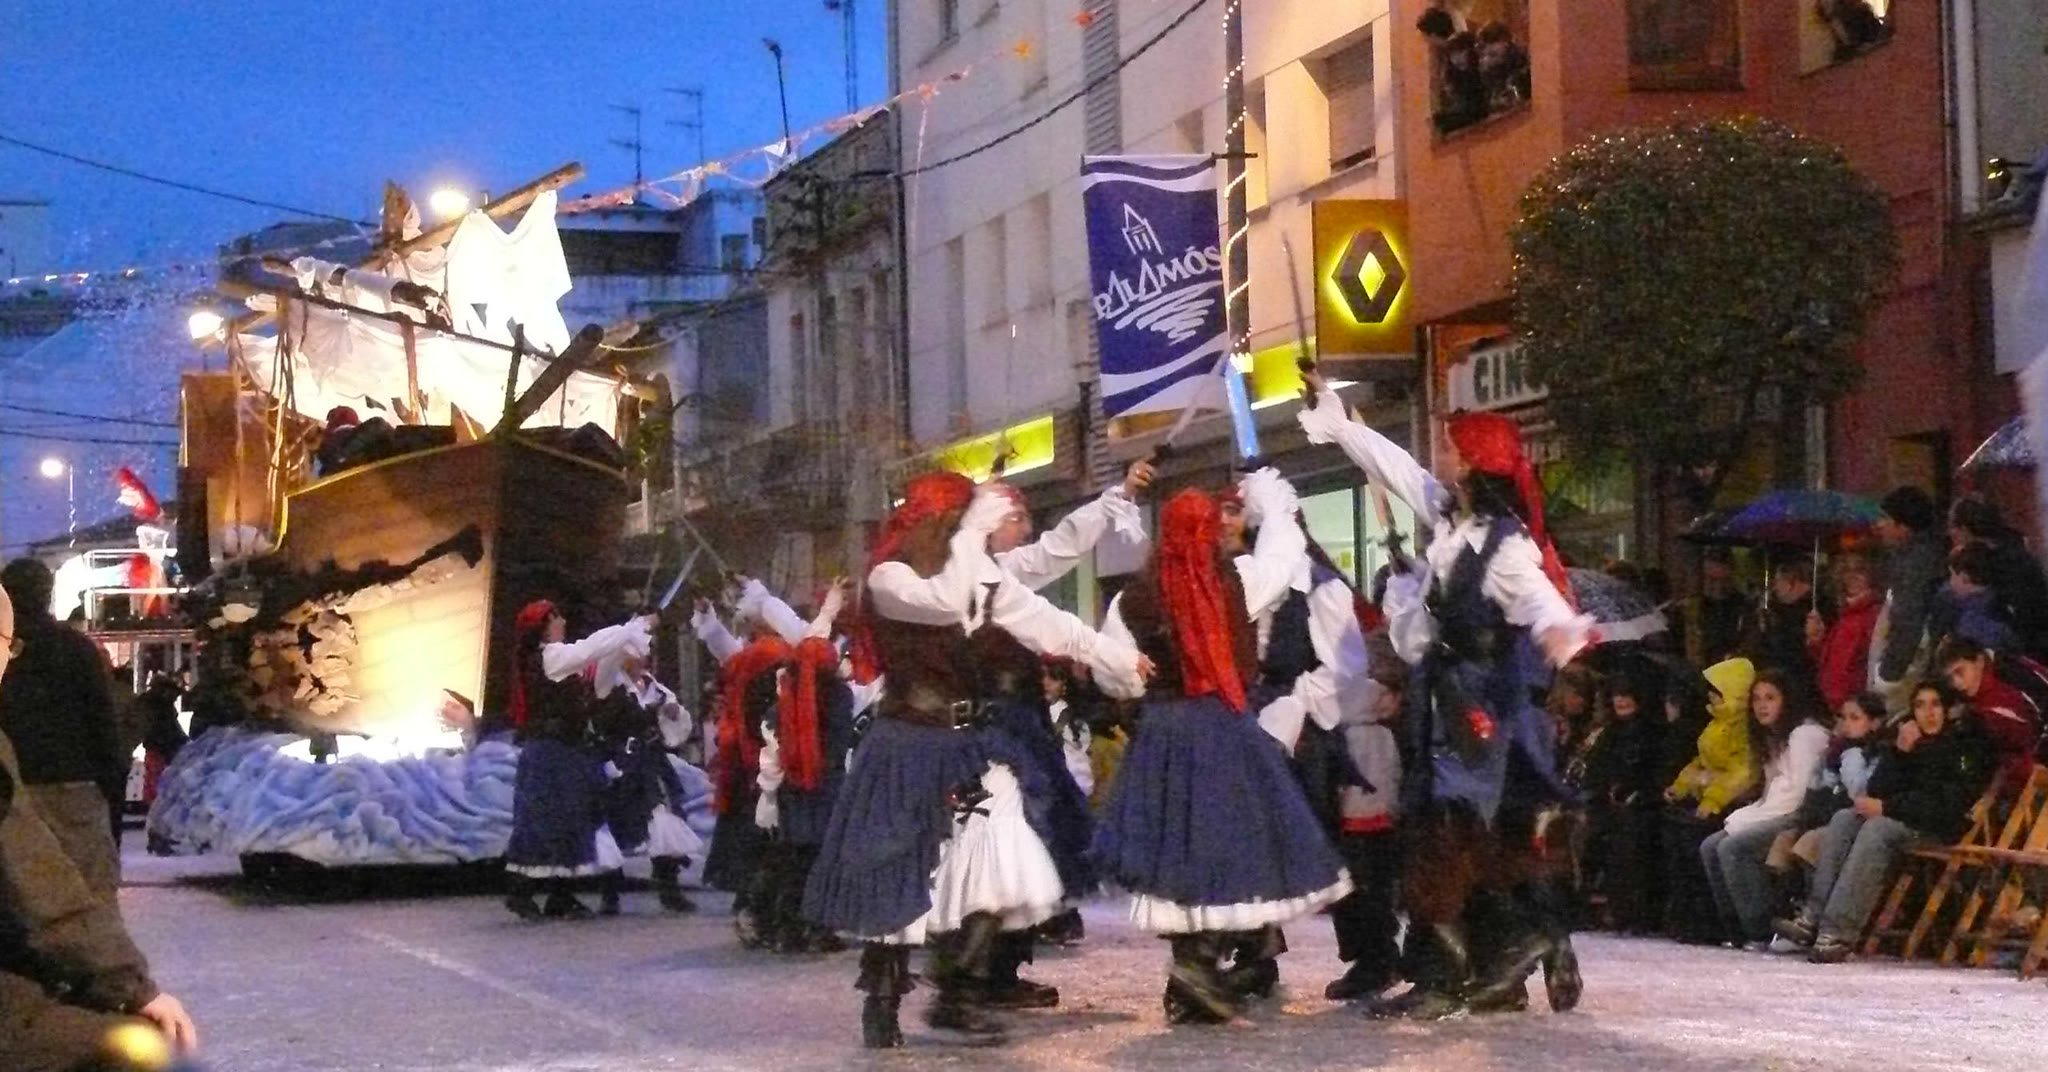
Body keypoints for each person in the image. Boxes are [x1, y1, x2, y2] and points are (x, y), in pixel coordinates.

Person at [800, 472, 1149, 1048]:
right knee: (899, 864)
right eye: (965, 518)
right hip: (907, 743)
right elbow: (943, 603)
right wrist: (971, 539)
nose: (977, 530)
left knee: (1000, 853)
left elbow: (1045, 621)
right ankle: (883, 998)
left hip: (969, 742)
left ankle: (958, 990)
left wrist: (1114, 656)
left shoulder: (980, 572)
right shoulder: (889, 577)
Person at [1298, 375, 1594, 1019]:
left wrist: (1561, 630)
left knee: (1457, 836)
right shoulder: (1450, 520)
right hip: (1451, 701)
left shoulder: (1505, 544)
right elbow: (1397, 470)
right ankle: (1501, 965)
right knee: (1476, 839)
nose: (1442, 455)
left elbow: (1538, 596)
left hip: (1484, 712)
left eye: (1453, 448)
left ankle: (1486, 960)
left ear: (1474, 464)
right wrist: (1341, 424)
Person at [1093, 476, 1351, 1025]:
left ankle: (1195, 969)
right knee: (1230, 844)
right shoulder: (1237, 579)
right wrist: (1274, 504)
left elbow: (1113, 674)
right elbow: (1284, 555)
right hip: (1221, 727)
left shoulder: (1132, 599)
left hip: (1163, 732)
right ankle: (1200, 968)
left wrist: (1146, 683)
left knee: (1178, 849)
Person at [0, 583, 199, 1071]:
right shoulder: (75, 650)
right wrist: (131, 986)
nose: (11, 662)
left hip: (38, 782)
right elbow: (39, 888)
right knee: (141, 1050)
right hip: (71, 784)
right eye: (9, 646)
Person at [1776, 680, 1992, 962]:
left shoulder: (1962, 746)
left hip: (1939, 826)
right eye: (1920, 706)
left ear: (1947, 709)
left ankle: (1838, 933)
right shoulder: (1912, 742)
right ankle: (1811, 918)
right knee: (1844, 818)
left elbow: (1946, 805)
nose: (1928, 713)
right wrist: (1899, 753)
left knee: (1877, 829)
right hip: (1905, 817)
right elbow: (1876, 790)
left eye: (1935, 705)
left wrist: (1888, 806)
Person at [501, 602, 648, 921]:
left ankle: (561, 896)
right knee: (544, 821)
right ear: (543, 626)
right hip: (548, 752)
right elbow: (587, 650)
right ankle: (520, 892)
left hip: (566, 750)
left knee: (571, 820)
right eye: (556, 618)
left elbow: (598, 679)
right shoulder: (549, 656)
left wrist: (623, 640)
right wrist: (627, 629)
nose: (563, 621)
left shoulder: (560, 659)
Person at [0, 559, 127, 899]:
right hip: (74, 783)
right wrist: (110, 782)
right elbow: (101, 719)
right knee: (88, 889)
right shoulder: (75, 647)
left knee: (23, 894)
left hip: (12, 790)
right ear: (47, 594)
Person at [1699, 671, 1831, 948]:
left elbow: (1797, 794)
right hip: (1774, 810)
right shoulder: (1773, 737)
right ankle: (1735, 930)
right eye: (1757, 699)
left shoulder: (1804, 735)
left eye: (1770, 698)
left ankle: (1762, 929)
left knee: (1733, 847)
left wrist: (1748, 820)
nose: (1762, 705)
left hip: (1798, 815)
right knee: (1710, 845)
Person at [753, 636, 857, 953]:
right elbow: (843, 740)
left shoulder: (785, 697)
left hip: (794, 788)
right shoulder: (839, 696)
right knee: (825, 861)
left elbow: (774, 743)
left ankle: (787, 928)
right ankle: (820, 927)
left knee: (795, 861)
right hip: (829, 786)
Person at [704, 629, 791, 945]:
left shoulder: (745, 683)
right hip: (761, 778)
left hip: (749, 778)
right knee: (765, 849)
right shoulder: (767, 684)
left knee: (758, 849)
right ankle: (756, 913)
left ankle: (754, 911)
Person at [1661, 657, 1757, 943]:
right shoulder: (1716, 723)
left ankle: (1708, 922)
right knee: (1674, 835)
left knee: (1695, 841)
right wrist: (1680, 787)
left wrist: (1713, 799)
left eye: (1718, 691)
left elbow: (1744, 773)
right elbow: (1700, 763)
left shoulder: (1743, 729)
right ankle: (1687, 917)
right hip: (1709, 798)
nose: (1712, 696)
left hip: (1730, 803)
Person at [1568, 671, 1660, 932]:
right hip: (1604, 803)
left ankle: (1632, 912)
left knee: (1626, 833)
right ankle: (1584, 906)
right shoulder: (1610, 733)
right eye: (1617, 694)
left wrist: (1631, 792)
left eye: (1627, 694)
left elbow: (1655, 774)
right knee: (1584, 829)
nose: (1621, 700)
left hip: (1643, 804)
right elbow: (1596, 772)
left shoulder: (1652, 732)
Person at [1870, 486, 1947, 717]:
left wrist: (1888, 676)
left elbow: (1908, 622)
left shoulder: (1915, 565)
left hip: (1910, 677)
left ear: (1903, 527)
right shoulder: (1919, 556)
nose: (1878, 525)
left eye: (1885, 518)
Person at [1937, 638, 2041, 795]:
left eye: (1960, 672)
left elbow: (2030, 739)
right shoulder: (2001, 666)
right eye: (1950, 678)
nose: (1957, 683)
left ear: (1979, 662)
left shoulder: (2003, 692)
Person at [1808, 555, 1881, 712]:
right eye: (1847, 570)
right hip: (1834, 703)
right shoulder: (1845, 616)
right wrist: (1817, 640)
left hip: (1855, 704)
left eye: (1859, 570)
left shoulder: (1873, 615)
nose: (1852, 576)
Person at [1748, 560, 1822, 691]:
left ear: (1790, 582)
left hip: (1800, 680)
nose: (1775, 588)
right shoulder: (1773, 610)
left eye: (1778, 581)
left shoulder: (1815, 611)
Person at [1687, 554, 1750, 668]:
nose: (1718, 586)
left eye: (1724, 580)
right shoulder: (1692, 606)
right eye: (1712, 580)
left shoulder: (1745, 606)